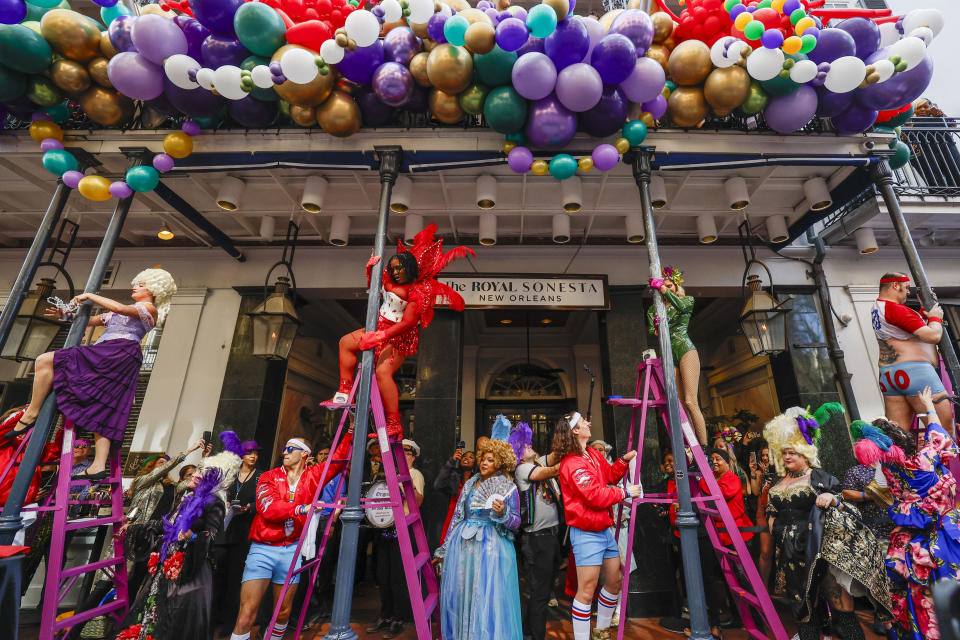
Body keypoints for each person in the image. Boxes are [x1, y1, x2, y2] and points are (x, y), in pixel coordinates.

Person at [3, 268, 177, 481]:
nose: (135, 286)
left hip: (118, 351)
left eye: (141, 285)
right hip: (110, 351)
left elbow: (119, 308)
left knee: (45, 360)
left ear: (153, 289)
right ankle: (98, 464)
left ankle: (32, 412)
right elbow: (92, 321)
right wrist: (66, 315)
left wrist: (90, 295)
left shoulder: (149, 308)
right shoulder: (123, 311)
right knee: (103, 406)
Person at [326, 224, 474, 439]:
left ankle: (394, 423)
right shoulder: (387, 279)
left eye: (399, 268)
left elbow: (408, 322)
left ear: (410, 268)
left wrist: (381, 336)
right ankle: (344, 390)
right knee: (345, 343)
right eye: (393, 268)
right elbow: (374, 291)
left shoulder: (418, 291)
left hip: (397, 336)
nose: (395, 272)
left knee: (382, 373)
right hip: (378, 326)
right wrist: (370, 270)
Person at [763, 403, 893, 640]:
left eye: (793, 452)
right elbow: (772, 513)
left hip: (823, 553)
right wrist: (776, 527)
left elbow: (852, 511)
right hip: (793, 558)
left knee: (841, 607)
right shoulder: (777, 485)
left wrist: (833, 499)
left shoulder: (820, 478)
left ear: (806, 453)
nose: (787, 456)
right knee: (805, 614)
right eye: (785, 452)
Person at [849, 387, 959, 640]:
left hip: (909, 542)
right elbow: (940, 438)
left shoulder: (888, 468)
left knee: (919, 594)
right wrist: (928, 407)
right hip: (943, 535)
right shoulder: (923, 462)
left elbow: (882, 488)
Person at [116, 431, 245, 640]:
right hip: (167, 566)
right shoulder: (189, 497)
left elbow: (212, 537)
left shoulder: (215, 503)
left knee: (174, 624)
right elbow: (167, 523)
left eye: (201, 471)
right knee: (151, 616)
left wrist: (193, 536)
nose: (195, 474)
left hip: (188, 574)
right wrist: (134, 527)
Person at [229, 434, 349, 640]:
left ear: (305, 454)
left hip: (292, 549)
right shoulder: (268, 476)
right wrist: (302, 508)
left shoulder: (313, 475)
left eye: (291, 449)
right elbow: (268, 508)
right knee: (246, 613)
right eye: (284, 448)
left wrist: (352, 430)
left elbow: (338, 460)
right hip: (262, 549)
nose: (285, 452)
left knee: (283, 613)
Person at [554, 411, 642, 640]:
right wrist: (624, 492)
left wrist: (624, 461)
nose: (588, 422)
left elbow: (610, 476)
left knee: (615, 582)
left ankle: (601, 633)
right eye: (583, 421)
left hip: (604, 529)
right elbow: (593, 495)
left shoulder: (592, 453)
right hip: (586, 533)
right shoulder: (572, 463)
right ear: (575, 431)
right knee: (586, 591)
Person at [434, 430, 523, 640]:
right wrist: (445, 549)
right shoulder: (469, 484)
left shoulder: (508, 488)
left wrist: (503, 514)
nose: (484, 463)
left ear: (499, 464)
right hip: (464, 548)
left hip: (492, 549)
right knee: (464, 595)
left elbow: (516, 523)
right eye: (483, 459)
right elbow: (457, 517)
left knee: (488, 598)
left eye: (490, 460)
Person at [870, 272, 953, 433]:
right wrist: (936, 318)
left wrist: (923, 310)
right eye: (907, 287)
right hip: (915, 373)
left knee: (899, 439)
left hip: (889, 376)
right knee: (943, 433)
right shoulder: (895, 309)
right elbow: (933, 335)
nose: (909, 292)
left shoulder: (878, 307)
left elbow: (904, 330)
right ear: (895, 285)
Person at [367, 438, 425, 638]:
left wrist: (403, 484)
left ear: (413, 457)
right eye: (400, 454)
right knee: (383, 576)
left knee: (398, 578)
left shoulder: (414, 474)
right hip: (385, 529)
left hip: (403, 530)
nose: (403, 457)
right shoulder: (387, 474)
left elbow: (417, 501)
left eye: (407, 454)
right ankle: (386, 615)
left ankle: (399, 618)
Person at [512, 421, 563, 640]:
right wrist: (571, 463)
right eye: (524, 446)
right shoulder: (523, 468)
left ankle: (528, 633)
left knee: (542, 591)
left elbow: (555, 457)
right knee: (540, 594)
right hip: (536, 540)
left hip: (550, 538)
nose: (529, 445)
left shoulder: (537, 462)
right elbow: (552, 470)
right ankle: (535, 636)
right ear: (520, 456)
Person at [647, 266, 708, 445]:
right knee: (680, 406)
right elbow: (653, 331)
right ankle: (691, 446)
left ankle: (703, 446)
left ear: (676, 287)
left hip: (685, 349)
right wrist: (658, 325)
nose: (666, 288)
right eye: (663, 285)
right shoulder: (653, 309)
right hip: (668, 355)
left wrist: (664, 291)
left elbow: (681, 307)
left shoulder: (687, 300)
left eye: (670, 285)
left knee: (691, 402)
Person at [212, 440, 262, 635]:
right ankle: (213, 619)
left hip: (244, 532)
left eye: (255, 453)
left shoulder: (260, 476)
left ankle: (229, 623)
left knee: (236, 579)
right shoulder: (230, 474)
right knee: (218, 576)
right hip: (224, 530)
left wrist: (250, 508)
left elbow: (263, 500)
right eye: (249, 452)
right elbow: (216, 494)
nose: (252, 456)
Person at [434, 445, 475, 541]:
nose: (466, 458)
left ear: (475, 463)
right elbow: (437, 485)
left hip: (469, 521)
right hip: (452, 519)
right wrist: (451, 461)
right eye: (464, 456)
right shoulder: (454, 476)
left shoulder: (476, 480)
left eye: (471, 457)